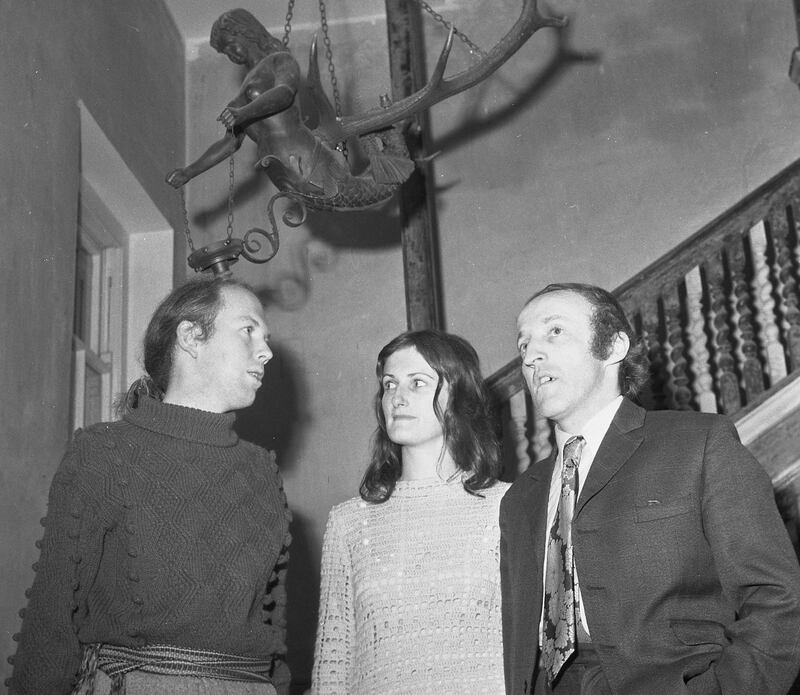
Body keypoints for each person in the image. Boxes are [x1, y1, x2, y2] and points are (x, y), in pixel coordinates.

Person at [501, 282, 800, 695]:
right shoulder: (520, 497)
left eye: (554, 332)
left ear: (613, 347)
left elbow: (778, 600)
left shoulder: (699, 444)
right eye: (523, 345)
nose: (532, 355)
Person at [7, 275, 292, 695]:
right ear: (192, 336)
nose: (266, 351)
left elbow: (273, 627)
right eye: (249, 330)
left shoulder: (262, 472)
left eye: (264, 337)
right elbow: (51, 619)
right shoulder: (104, 451)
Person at [311, 329, 509, 694]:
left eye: (417, 383)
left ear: (459, 397)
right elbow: (334, 662)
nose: (397, 398)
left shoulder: (506, 507)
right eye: (389, 384)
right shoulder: (350, 523)